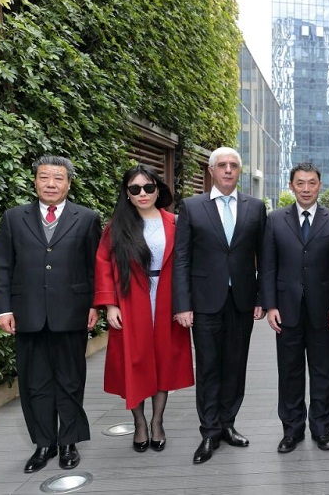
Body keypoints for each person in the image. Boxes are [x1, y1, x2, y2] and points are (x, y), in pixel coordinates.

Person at [0, 156, 101, 473]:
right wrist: (3, 308)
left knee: (70, 380)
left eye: (58, 178)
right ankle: (44, 444)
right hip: (28, 313)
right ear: (35, 181)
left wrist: (94, 305)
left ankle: (68, 442)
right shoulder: (14, 218)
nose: (50, 184)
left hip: (72, 312)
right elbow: (2, 266)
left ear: (69, 183)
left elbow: (95, 267)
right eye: (44, 177)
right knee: (34, 382)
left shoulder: (87, 218)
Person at [173, 146, 267, 464]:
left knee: (236, 365)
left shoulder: (255, 208)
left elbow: (264, 258)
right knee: (209, 366)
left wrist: (261, 298)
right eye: (222, 165)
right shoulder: (192, 207)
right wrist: (183, 304)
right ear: (211, 171)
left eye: (234, 165)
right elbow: (182, 258)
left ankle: (228, 424)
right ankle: (209, 431)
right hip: (204, 302)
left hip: (242, 300)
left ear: (239, 171)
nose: (228, 170)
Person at [94, 165, 194, 453]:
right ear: (127, 193)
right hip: (131, 299)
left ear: (158, 190)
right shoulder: (117, 226)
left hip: (166, 299)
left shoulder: (175, 222)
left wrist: (186, 303)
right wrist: (110, 305)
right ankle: (139, 423)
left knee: (164, 361)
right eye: (135, 189)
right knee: (134, 362)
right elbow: (103, 264)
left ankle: (157, 422)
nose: (142, 193)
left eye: (148, 187)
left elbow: (187, 263)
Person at [261, 163, 329, 453]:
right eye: (300, 183)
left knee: (325, 371)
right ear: (291, 186)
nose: (306, 189)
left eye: (312, 183)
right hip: (286, 309)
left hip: (324, 310)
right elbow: (268, 265)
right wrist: (270, 305)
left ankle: (322, 429)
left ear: (320, 185)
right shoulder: (275, 220)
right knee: (289, 372)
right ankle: (292, 430)